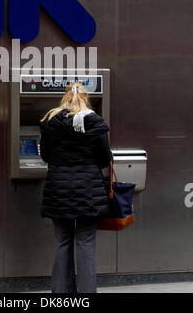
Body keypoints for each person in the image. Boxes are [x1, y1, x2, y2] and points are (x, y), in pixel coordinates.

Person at [39, 81, 113, 293]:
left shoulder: (50, 121)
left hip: (58, 189)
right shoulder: (94, 122)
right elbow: (104, 158)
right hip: (88, 190)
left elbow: (45, 155)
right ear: (86, 98)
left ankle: (61, 294)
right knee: (85, 242)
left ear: (64, 97)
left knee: (62, 242)